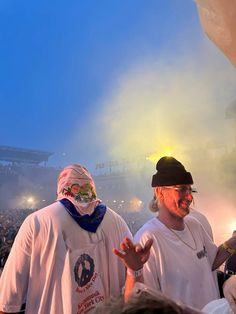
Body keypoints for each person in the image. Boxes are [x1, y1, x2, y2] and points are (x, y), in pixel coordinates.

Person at [0, 164, 132, 314]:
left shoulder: (37, 221)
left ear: (61, 186)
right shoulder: (118, 222)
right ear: (91, 186)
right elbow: (136, 281)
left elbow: (8, 300)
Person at [116, 156, 236, 310]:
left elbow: (211, 261)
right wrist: (134, 271)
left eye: (190, 189)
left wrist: (234, 240)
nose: (190, 197)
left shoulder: (194, 225)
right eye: (181, 189)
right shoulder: (148, 237)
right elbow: (137, 304)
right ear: (160, 192)